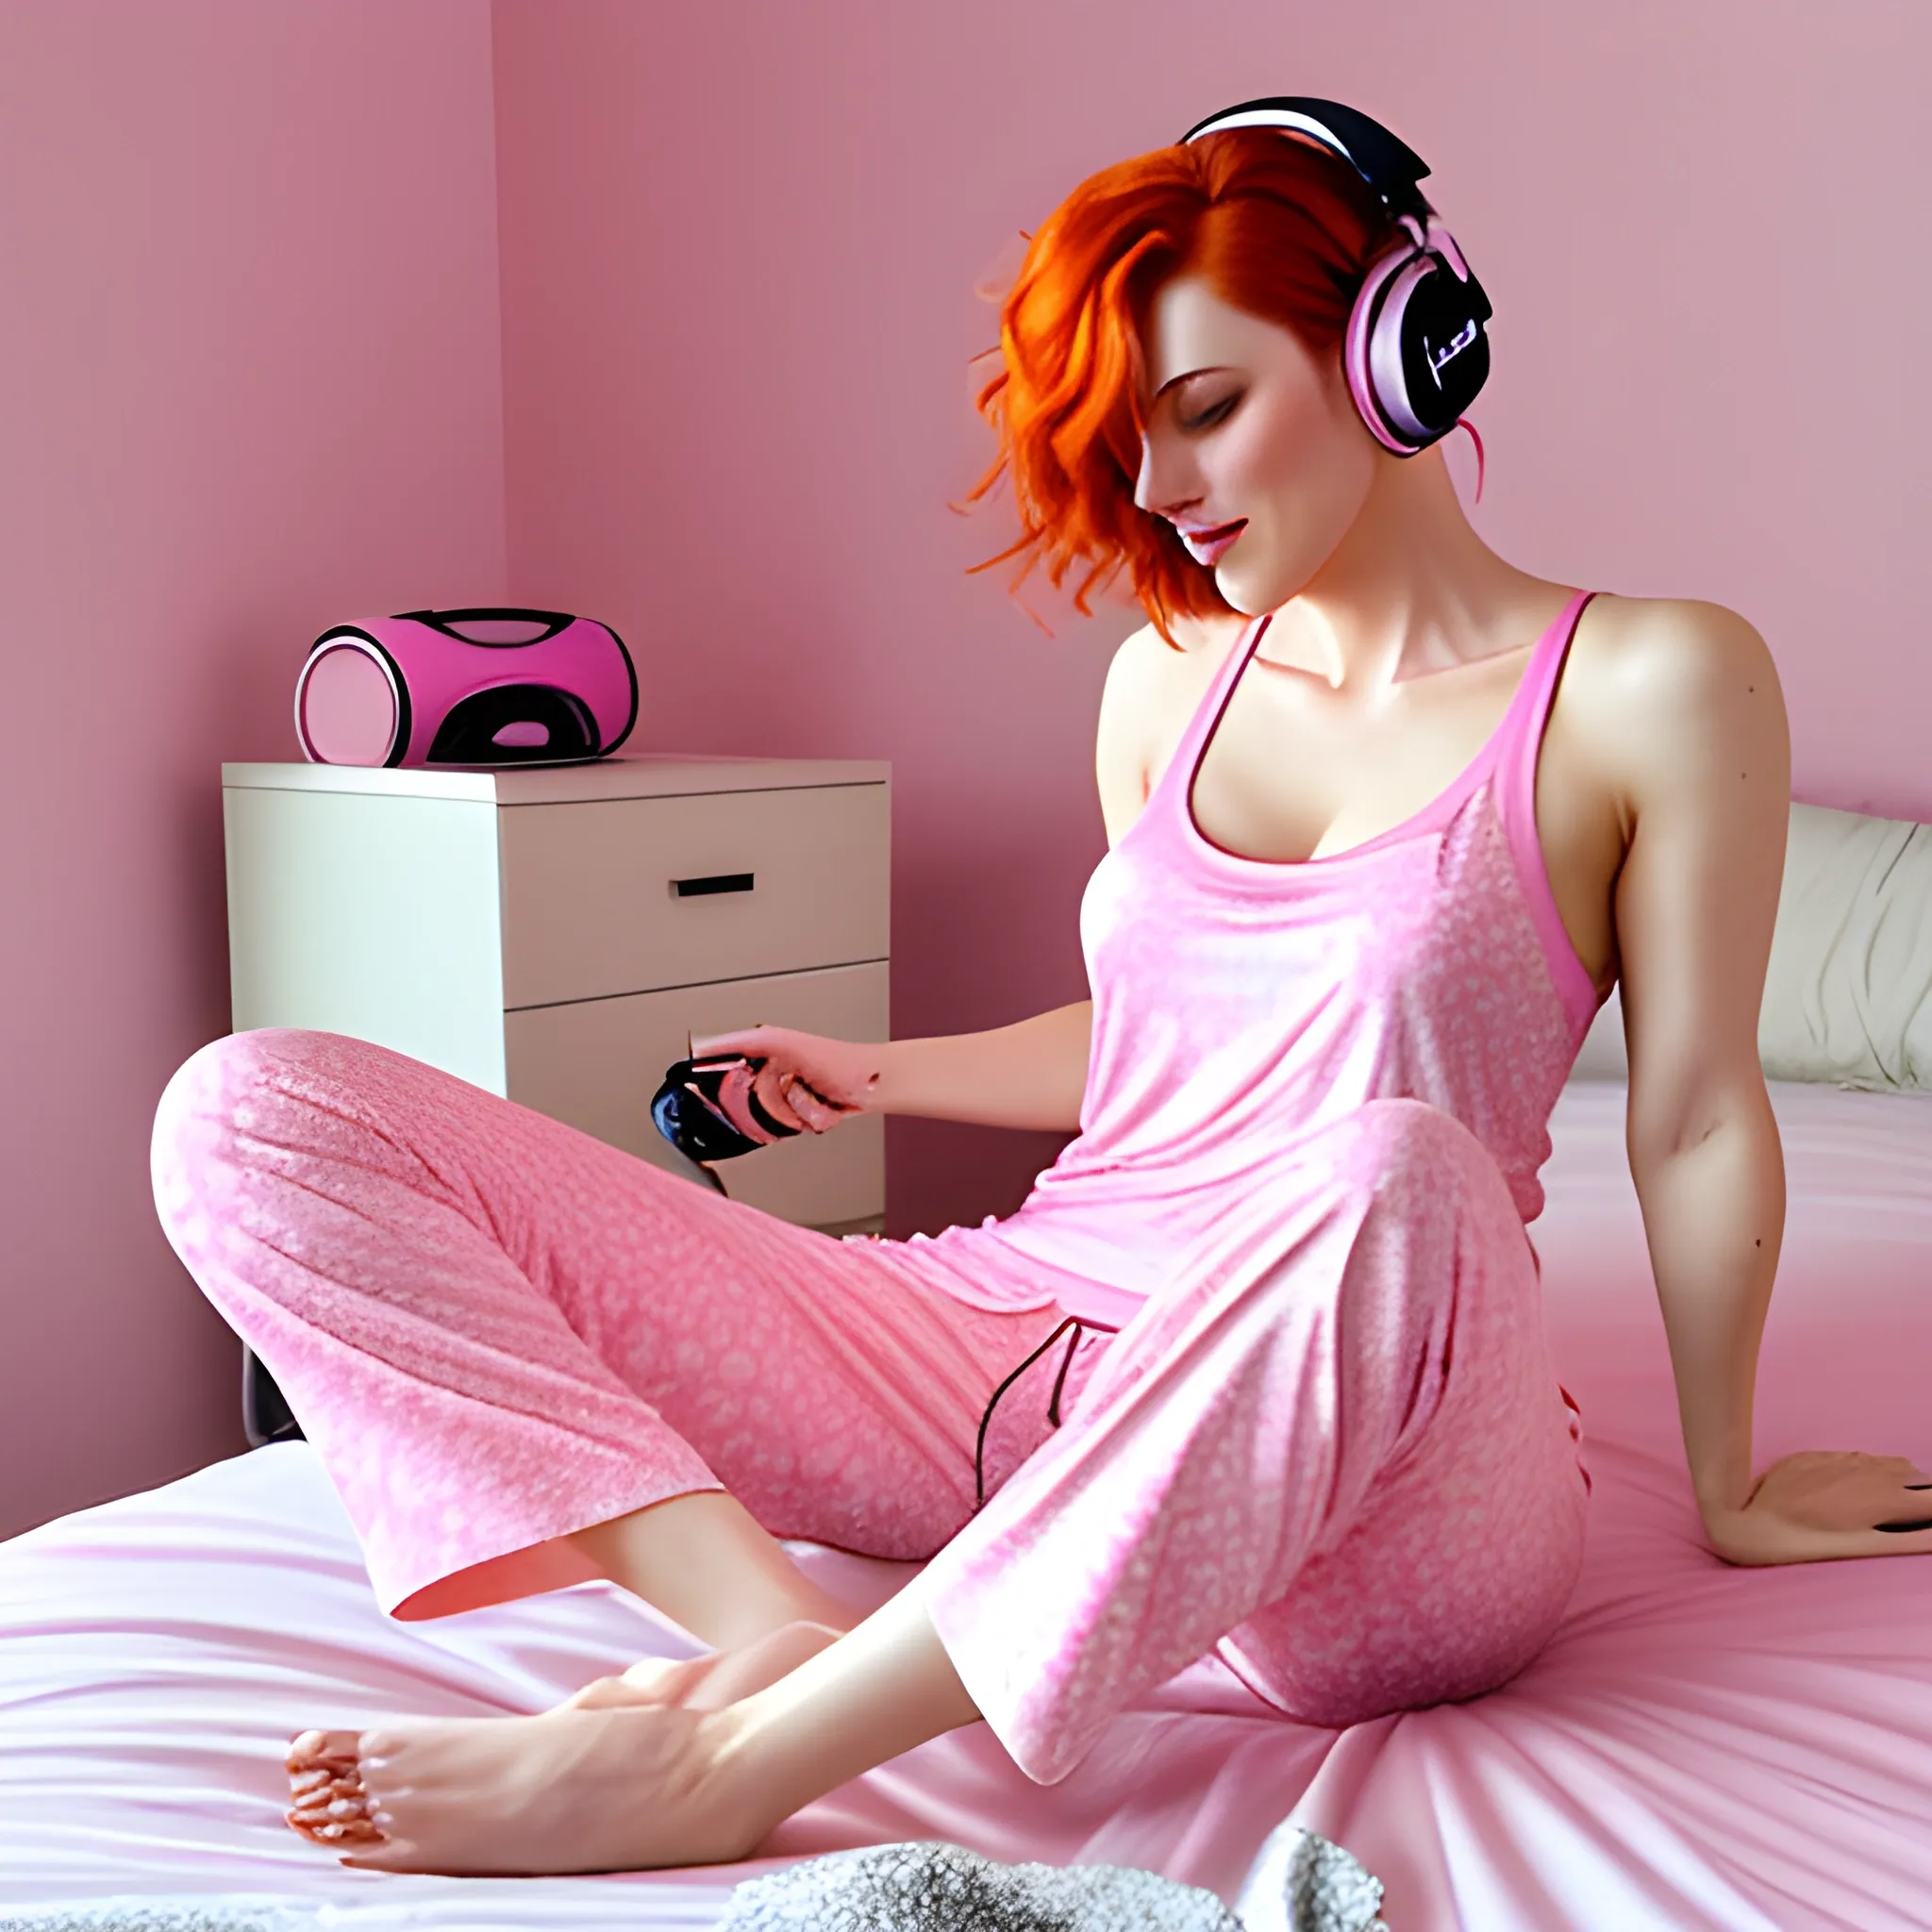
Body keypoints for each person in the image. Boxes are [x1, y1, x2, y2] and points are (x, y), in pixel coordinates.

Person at [150, 99, 1932, 1879]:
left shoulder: (1651, 682)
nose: (1159, 492)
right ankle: (778, 1642)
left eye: (1207, 411)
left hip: (1377, 1471)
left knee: (1394, 1165)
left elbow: (1692, 1110)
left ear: (1399, 352)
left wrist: (1728, 1482)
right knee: (249, 1110)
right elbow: (1177, 1051)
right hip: (1010, 1349)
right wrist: (887, 1074)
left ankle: (749, 1765)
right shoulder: (1166, 682)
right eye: (1130, 437)